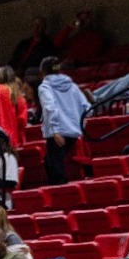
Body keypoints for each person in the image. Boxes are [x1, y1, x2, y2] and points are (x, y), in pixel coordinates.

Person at [37, 57, 90, 185]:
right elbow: (87, 107)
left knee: (56, 169)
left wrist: (55, 131)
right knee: (50, 162)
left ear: (43, 72)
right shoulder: (72, 86)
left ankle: (61, 191)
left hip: (57, 133)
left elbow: (50, 107)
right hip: (73, 132)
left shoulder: (44, 87)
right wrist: (80, 125)